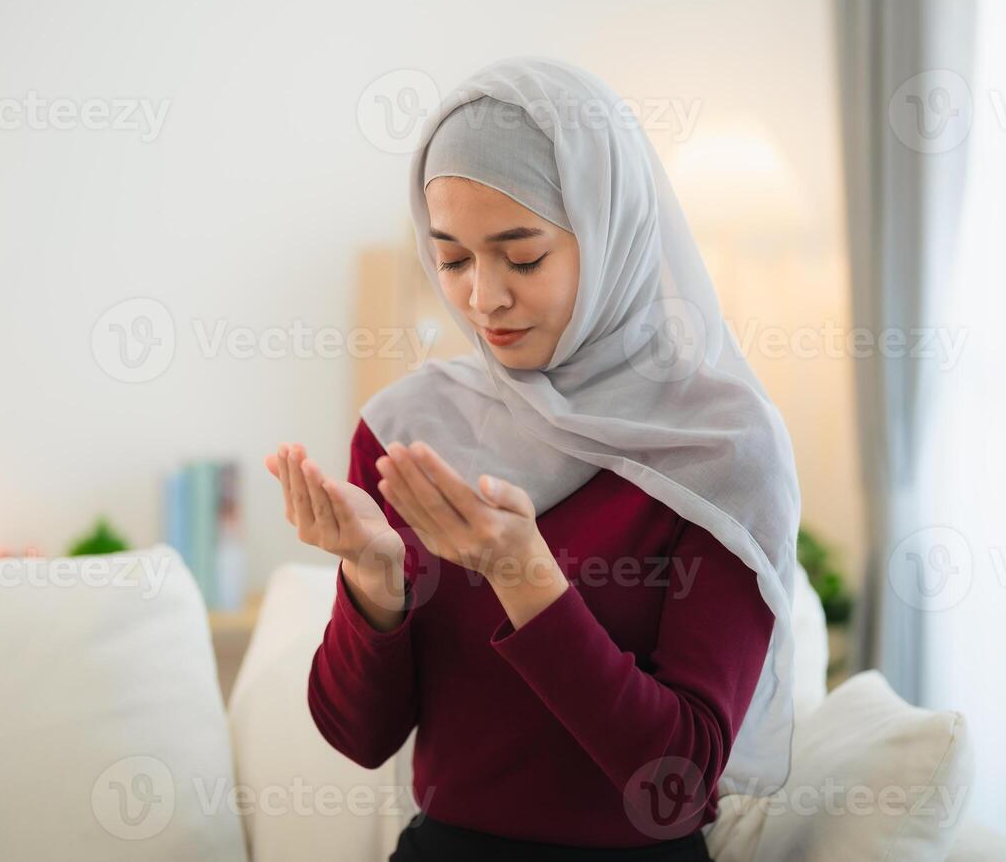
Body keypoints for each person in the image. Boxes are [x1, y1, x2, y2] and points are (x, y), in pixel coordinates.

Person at [264, 56, 801, 861]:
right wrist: (373, 583)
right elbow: (359, 738)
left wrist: (526, 577)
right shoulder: (409, 427)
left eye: (523, 257)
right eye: (451, 260)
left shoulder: (719, 445)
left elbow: (677, 784)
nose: (484, 298)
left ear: (611, 233)